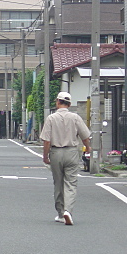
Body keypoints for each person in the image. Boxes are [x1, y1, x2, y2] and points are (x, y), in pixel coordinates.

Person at [41, 92, 91, 226]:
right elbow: (85, 137)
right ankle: (68, 211)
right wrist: (88, 149)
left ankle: (60, 213)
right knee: (71, 183)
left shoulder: (51, 118)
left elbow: (46, 141)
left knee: (58, 183)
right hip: (71, 152)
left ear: (57, 102)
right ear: (69, 104)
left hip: (56, 152)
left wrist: (45, 156)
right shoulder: (75, 117)